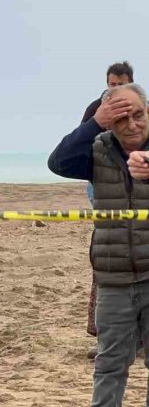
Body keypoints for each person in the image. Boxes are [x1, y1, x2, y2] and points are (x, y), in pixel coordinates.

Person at [49, 83, 149, 407]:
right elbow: (58, 163)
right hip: (113, 276)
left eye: (138, 114)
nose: (132, 124)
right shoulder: (97, 149)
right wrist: (94, 123)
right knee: (109, 364)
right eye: (121, 118)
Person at [80, 62, 133, 360]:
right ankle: (104, 338)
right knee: (106, 260)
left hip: (139, 195)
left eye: (121, 83)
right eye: (112, 84)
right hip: (103, 190)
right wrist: (97, 122)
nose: (116, 89)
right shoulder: (95, 109)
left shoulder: (142, 110)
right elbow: (71, 153)